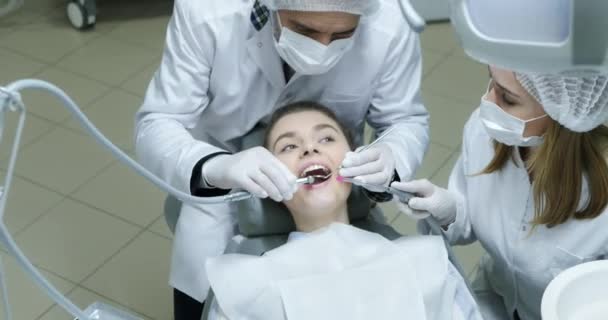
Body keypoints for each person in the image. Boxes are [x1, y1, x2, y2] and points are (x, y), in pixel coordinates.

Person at [134, 0, 429, 318]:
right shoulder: (207, 11)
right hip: (221, 192)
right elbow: (158, 123)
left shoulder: (389, 23)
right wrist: (214, 166)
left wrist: (392, 154)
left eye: (343, 34)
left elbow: (405, 120)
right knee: (202, 300)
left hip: (337, 214)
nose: (323, 48)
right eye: (305, 30)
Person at [204, 101, 481, 320]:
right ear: (269, 180)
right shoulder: (244, 286)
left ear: (356, 161)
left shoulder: (424, 260)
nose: (309, 148)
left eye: (326, 139)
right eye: (288, 146)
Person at [392, 67, 608, 320]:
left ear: (564, 113)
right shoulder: (485, 131)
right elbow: (473, 218)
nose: (488, 102)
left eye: (507, 98)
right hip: (496, 297)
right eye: (490, 82)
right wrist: (450, 210)